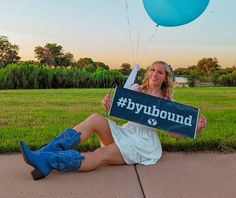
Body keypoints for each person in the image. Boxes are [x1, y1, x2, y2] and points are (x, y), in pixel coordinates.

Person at [20, 61, 207, 180]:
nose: (154, 74)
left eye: (160, 72)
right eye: (152, 70)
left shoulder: (167, 103)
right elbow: (118, 116)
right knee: (95, 118)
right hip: (126, 131)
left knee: (101, 154)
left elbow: (173, 134)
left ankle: (47, 161)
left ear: (166, 78)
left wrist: (195, 129)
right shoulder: (135, 89)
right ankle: (44, 153)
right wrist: (109, 107)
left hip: (143, 143)